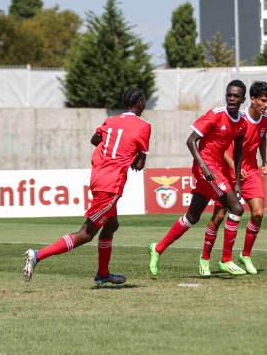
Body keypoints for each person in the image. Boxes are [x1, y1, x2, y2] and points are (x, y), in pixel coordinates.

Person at [23, 88, 150, 287]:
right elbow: (140, 165)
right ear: (140, 104)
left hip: (98, 176)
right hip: (112, 184)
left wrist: (111, 150)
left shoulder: (111, 120)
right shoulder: (144, 126)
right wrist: (129, 156)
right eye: (144, 102)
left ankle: (103, 273)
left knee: (111, 225)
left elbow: (94, 139)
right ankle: (38, 255)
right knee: (86, 234)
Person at [149, 80, 248, 278]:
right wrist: (204, 167)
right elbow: (191, 140)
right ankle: (226, 260)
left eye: (236, 96)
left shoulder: (241, 123)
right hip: (206, 168)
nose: (231, 99)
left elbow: (238, 153)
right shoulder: (215, 115)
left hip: (217, 170)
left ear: (242, 99)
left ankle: (157, 248)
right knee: (236, 208)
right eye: (229, 95)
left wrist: (236, 181)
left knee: (192, 217)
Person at [199, 80, 267, 276]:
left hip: (251, 171)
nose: (266, 105)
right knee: (219, 216)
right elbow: (222, 147)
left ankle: (245, 255)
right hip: (228, 170)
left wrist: (264, 161)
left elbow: (263, 137)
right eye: (263, 101)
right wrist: (234, 168)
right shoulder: (237, 118)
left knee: (258, 213)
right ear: (253, 99)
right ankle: (205, 258)